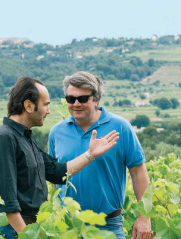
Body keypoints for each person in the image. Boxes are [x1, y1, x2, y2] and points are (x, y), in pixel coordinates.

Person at [0, 76, 119, 238]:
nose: (48, 111)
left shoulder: (24, 138)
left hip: (30, 230)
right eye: (45, 105)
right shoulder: (5, 138)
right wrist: (26, 235)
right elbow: (7, 202)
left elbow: (57, 172)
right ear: (28, 106)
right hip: (17, 232)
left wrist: (90, 154)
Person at [48, 71, 151, 239]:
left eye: (82, 99)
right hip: (67, 227)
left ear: (96, 99)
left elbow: (138, 171)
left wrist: (144, 217)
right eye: (70, 99)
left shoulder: (121, 127)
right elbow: (56, 176)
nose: (76, 104)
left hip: (108, 226)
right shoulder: (56, 132)